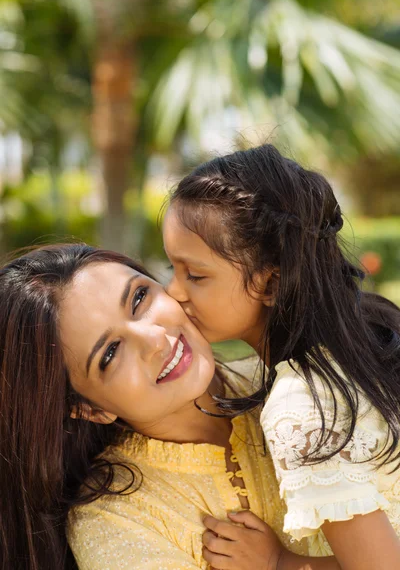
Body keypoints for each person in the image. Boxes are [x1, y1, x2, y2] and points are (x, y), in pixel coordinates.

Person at [0, 243, 325, 570]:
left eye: (139, 298)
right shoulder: (115, 522)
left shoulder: (295, 382)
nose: (155, 340)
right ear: (89, 409)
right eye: (110, 353)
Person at [163, 143, 400, 570]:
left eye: (195, 275)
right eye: (172, 270)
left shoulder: (302, 405)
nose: (173, 293)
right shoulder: (371, 320)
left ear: (271, 283)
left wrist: (278, 563)